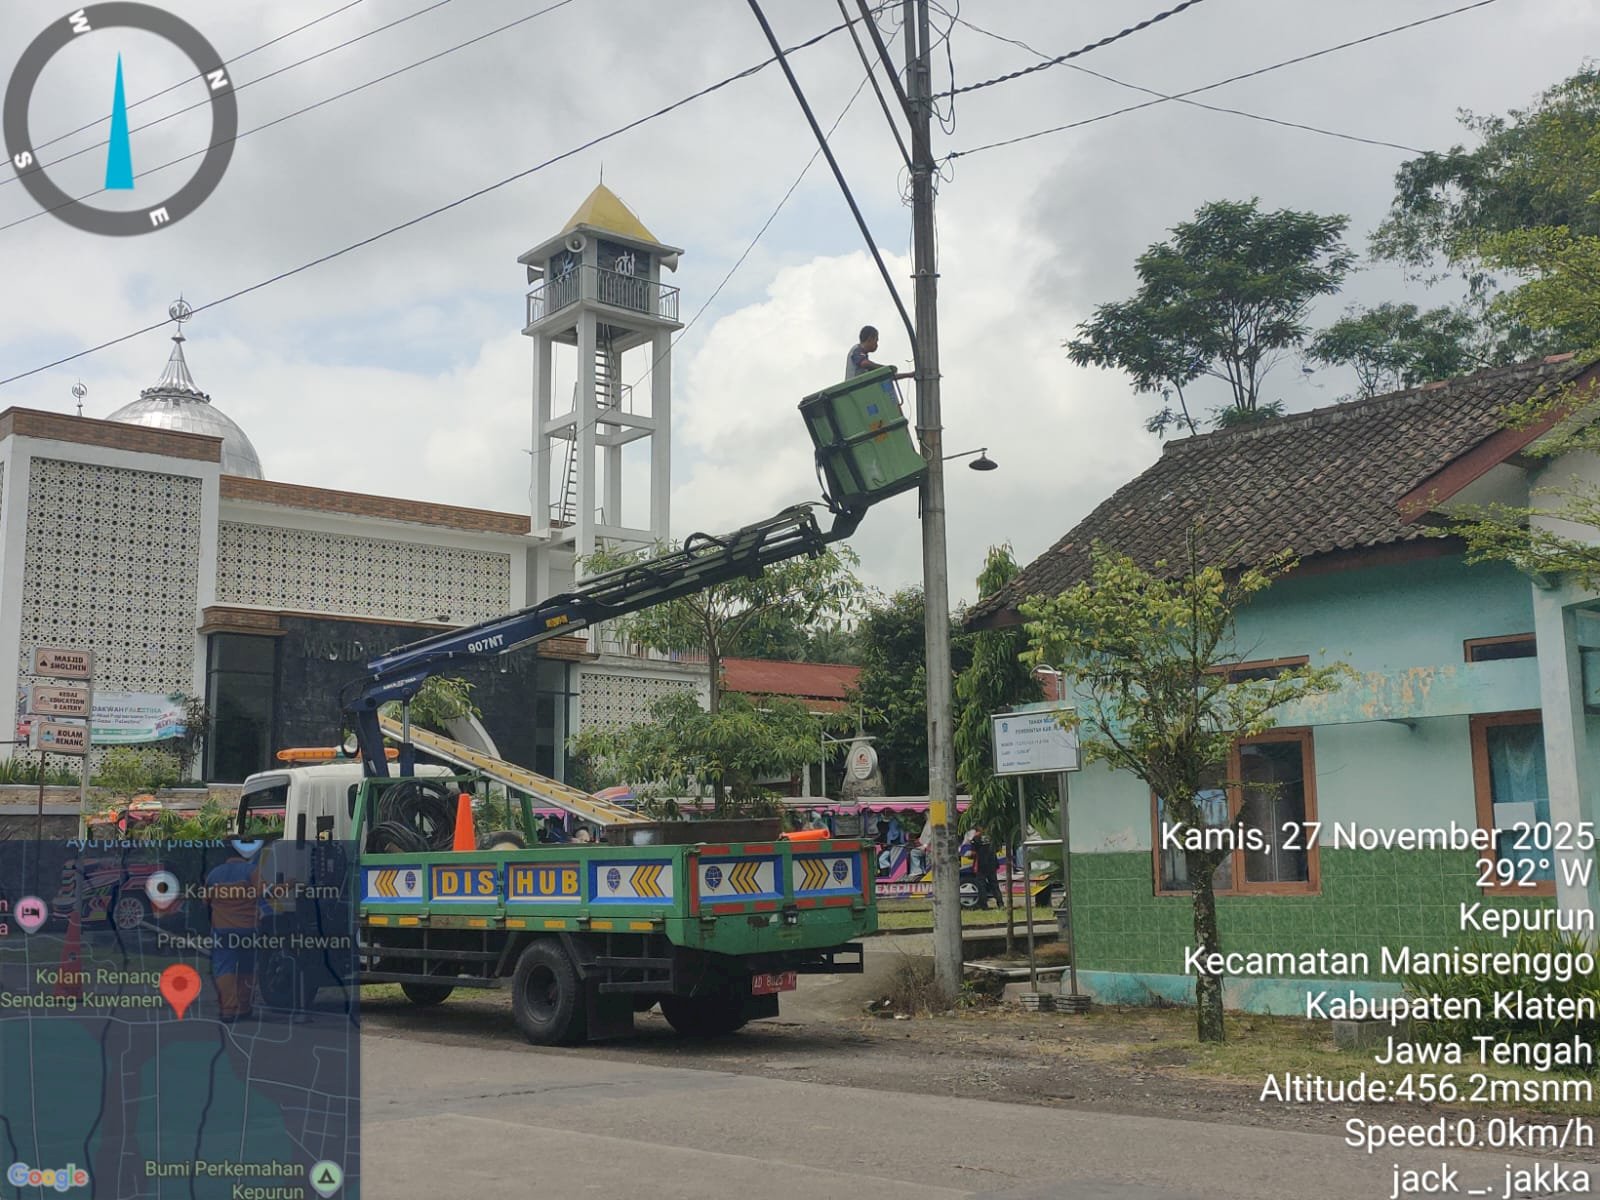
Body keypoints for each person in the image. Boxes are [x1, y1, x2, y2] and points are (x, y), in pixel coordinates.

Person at [970, 828, 1003, 911]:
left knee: (981, 886)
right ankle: (1000, 904)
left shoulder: (976, 838)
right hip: (992, 863)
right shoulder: (993, 836)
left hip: (981, 864)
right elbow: (998, 848)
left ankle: (984, 906)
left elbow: (973, 852)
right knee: (994, 885)